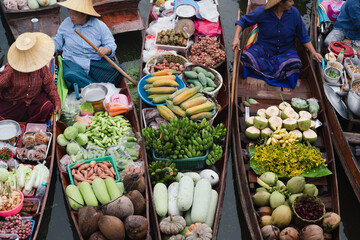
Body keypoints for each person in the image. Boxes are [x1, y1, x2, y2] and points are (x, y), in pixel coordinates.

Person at [232, 0, 323, 89]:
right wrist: (236, 38)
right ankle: (277, 75)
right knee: (246, 58)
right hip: (264, 47)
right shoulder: (263, 12)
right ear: (280, 3)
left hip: (286, 50)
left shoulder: (294, 13)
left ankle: (266, 74)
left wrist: (313, 52)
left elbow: (303, 36)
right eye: (290, 1)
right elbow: (242, 22)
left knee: (295, 65)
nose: (293, 3)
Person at [54, 0, 122, 90]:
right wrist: (49, 48)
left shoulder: (99, 26)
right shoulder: (66, 24)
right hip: (72, 60)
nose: (71, 17)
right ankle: (96, 88)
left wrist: (106, 50)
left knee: (117, 72)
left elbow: (110, 44)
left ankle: (86, 85)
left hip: (93, 61)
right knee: (70, 75)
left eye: (74, 14)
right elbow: (57, 42)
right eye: (70, 13)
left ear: (84, 14)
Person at [0, 32, 61, 123]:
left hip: (33, 101)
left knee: (47, 107)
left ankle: (30, 126)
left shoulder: (41, 66)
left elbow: (49, 85)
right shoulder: (11, 70)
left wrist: (57, 101)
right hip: (15, 103)